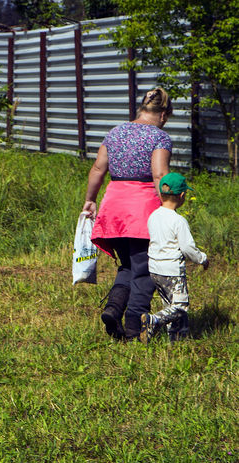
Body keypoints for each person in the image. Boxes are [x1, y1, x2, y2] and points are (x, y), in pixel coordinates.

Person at [82, 88, 173, 340]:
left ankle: (113, 309)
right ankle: (136, 326)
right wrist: (168, 208)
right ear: (163, 114)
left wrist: (90, 200)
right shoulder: (159, 137)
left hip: (114, 208)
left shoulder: (115, 133)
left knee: (127, 266)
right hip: (142, 210)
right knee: (145, 270)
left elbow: (98, 168)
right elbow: (159, 175)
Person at [140, 172, 209, 343]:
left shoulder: (153, 216)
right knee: (180, 307)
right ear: (182, 195)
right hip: (172, 270)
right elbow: (187, 248)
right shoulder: (178, 221)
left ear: (161, 194)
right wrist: (202, 258)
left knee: (169, 306)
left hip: (154, 269)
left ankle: (176, 341)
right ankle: (153, 320)